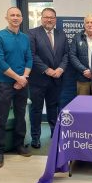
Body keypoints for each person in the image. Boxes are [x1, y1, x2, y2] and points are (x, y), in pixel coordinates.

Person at [0, 7, 33, 168]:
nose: (15, 18)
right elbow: (0, 62)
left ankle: (19, 145)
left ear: (22, 18)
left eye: (18, 15)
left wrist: (24, 78)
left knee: (20, 115)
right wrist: (18, 78)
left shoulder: (24, 38)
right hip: (5, 83)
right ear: (6, 18)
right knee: (1, 117)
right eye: (12, 15)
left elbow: (29, 59)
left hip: (22, 82)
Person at [27, 8, 69, 149]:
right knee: (36, 110)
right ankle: (35, 138)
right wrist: (47, 70)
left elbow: (66, 55)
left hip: (56, 79)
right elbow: (32, 56)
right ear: (41, 18)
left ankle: (54, 133)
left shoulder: (61, 34)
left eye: (51, 17)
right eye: (46, 17)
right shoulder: (32, 33)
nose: (49, 20)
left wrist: (60, 69)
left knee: (53, 108)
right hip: (38, 80)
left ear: (55, 19)